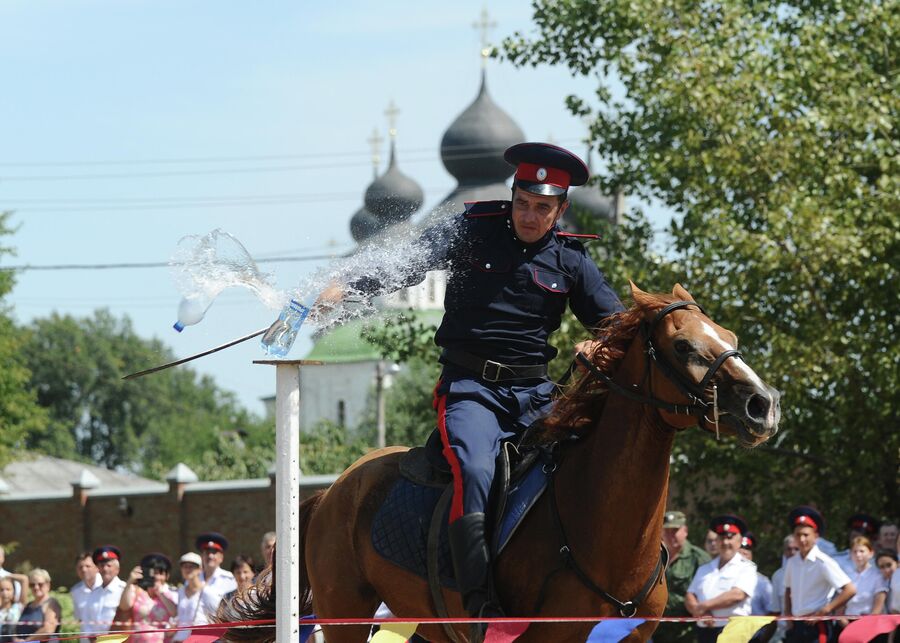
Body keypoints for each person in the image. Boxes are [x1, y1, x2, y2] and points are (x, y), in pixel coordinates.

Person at [330, 141, 623, 624]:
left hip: (536, 396)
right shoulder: (472, 231)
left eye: (542, 208)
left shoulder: (572, 261)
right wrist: (350, 285)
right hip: (472, 391)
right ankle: (476, 597)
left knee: (589, 463)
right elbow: (408, 262)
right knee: (477, 470)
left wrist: (602, 346)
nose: (529, 216)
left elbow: (618, 326)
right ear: (513, 196)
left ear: (560, 210)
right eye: (522, 203)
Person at [783, 506, 856, 643]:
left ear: (816, 536)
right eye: (798, 535)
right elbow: (788, 590)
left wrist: (825, 610)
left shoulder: (823, 562)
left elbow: (850, 589)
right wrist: (788, 616)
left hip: (816, 624)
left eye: (806, 535)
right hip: (797, 623)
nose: (802, 539)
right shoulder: (792, 562)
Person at [685, 515, 758, 643]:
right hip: (705, 632)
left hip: (733, 632)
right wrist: (701, 612)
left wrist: (703, 606)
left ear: (740, 540)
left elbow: (737, 595)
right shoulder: (705, 568)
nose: (725, 543)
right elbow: (690, 595)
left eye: (730, 538)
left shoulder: (747, 567)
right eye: (721, 538)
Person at [657, 510, 712, 643]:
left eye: (675, 530)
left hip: (687, 632)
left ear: (685, 531)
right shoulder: (654, 558)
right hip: (657, 631)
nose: (671, 535)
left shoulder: (699, 558)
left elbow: (709, 593)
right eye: (667, 531)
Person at [117, 553, 177, 643]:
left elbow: (175, 613)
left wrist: (160, 593)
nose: (156, 577)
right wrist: (130, 581)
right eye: (153, 573)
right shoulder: (136, 591)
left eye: (160, 573)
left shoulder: (171, 594)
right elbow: (124, 606)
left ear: (167, 576)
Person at [80, 545, 127, 638]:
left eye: (109, 565)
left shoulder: (124, 591)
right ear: (98, 568)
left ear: (117, 569)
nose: (105, 569)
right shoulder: (93, 593)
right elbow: (86, 622)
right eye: (102, 565)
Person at [173, 552, 218, 643]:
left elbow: (217, 620)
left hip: (199, 640)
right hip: (179, 640)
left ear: (200, 569)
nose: (187, 569)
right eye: (184, 566)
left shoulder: (207, 592)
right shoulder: (180, 591)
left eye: (191, 566)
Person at [12, 569, 61, 642]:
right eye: (32, 585)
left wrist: (27, 641)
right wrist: (15, 638)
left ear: (48, 585)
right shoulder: (28, 605)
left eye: (40, 584)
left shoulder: (51, 603)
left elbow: (49, 629)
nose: (36, 587)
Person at [770, 535, 800, 643]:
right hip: (784, 633)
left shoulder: (811, 572)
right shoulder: (777, 576)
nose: (792, 552)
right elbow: (775, 610)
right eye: (789, 549)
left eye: (796, 549)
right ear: (784, 551)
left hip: (806, 629)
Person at [739, 532, 776, 616]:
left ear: (751, 555)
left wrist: (766, 629)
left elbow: (773, 612)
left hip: (756, 629)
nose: (743, 552)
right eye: (740, 548)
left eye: (747, 549)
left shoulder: (762, 582)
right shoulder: (723, 577)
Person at [70, 551, 102, 643]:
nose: (84, 570)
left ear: (96, 568)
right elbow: (78, 618)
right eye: (80, 567)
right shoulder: (75, 591)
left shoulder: (107, 587)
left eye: (88, 566)